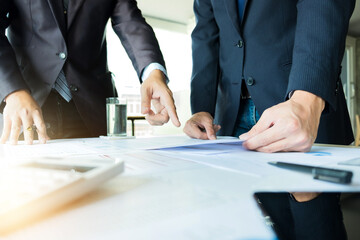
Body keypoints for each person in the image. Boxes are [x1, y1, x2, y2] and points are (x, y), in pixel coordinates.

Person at [184, 0, 355, 239]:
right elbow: (205, 35)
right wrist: (201, 109)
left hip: (295, 105)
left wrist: (306, 98)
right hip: (229, 119)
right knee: (246, 225)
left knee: (312, 215)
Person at [0, 0, 180, 145]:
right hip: (28, 106)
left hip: (91, 109)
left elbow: (130, 21)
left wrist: (153, 72)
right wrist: (13, 91)